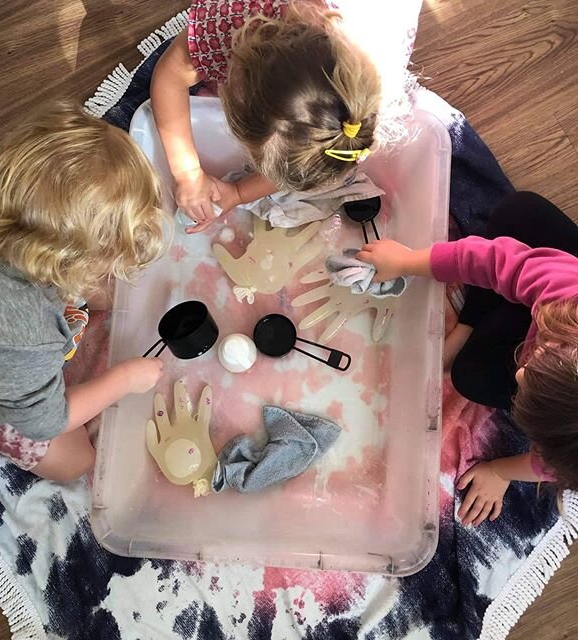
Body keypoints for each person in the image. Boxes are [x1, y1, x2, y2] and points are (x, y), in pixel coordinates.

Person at [0, 102, 168, 482]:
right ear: (65, 264)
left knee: (102, 296)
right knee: (77, 462)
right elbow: (49, 420)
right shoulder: (22, 344)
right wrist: (125, 378)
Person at [357, 191, 578, 526]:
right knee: (519, 212)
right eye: (535, 364)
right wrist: (408, 262)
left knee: (470, 376)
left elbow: (547, 463)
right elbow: (497, 262)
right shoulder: (567, 295)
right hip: (558, 282)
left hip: (552, 335)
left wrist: (500, 471)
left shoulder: (566, 450)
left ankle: (485, 323)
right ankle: (470, 322)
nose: (519, 374)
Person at [150, 0, 413, 233]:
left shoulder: (357, 118)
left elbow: (298, 162)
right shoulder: (228, 19)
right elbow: (169, 78)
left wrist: (240, 193)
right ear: (235, 75)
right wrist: (187, 173)